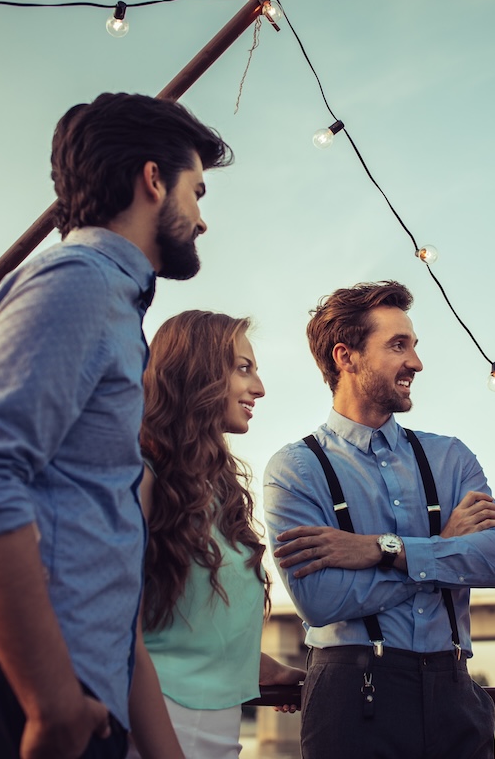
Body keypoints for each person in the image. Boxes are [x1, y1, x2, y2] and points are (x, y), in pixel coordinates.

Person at [0, 92, 233, 759]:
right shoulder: (80, 283)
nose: (201, 219)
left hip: (47, 693)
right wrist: (50, 703)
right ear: (152, 179)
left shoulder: (105, 300)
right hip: (11, 697)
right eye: (197, 191)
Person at [263, 280, 495, 759]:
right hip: (350, 695)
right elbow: (320, 601)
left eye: (414, 346)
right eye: (397, 346)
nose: (417, 363)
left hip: (455, 694)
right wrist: (441, 547)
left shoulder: (451, 457)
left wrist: (384, 549)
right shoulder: (295, 469)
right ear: (346, 356)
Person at [130, 311, 305, 758]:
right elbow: (114, 631)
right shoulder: (141, 477)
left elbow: (187, 626)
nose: (260, 388)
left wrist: (261, 668)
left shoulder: (215, 491)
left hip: (216, 732)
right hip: (151, 729)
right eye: (243, 368)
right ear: (197, 373)